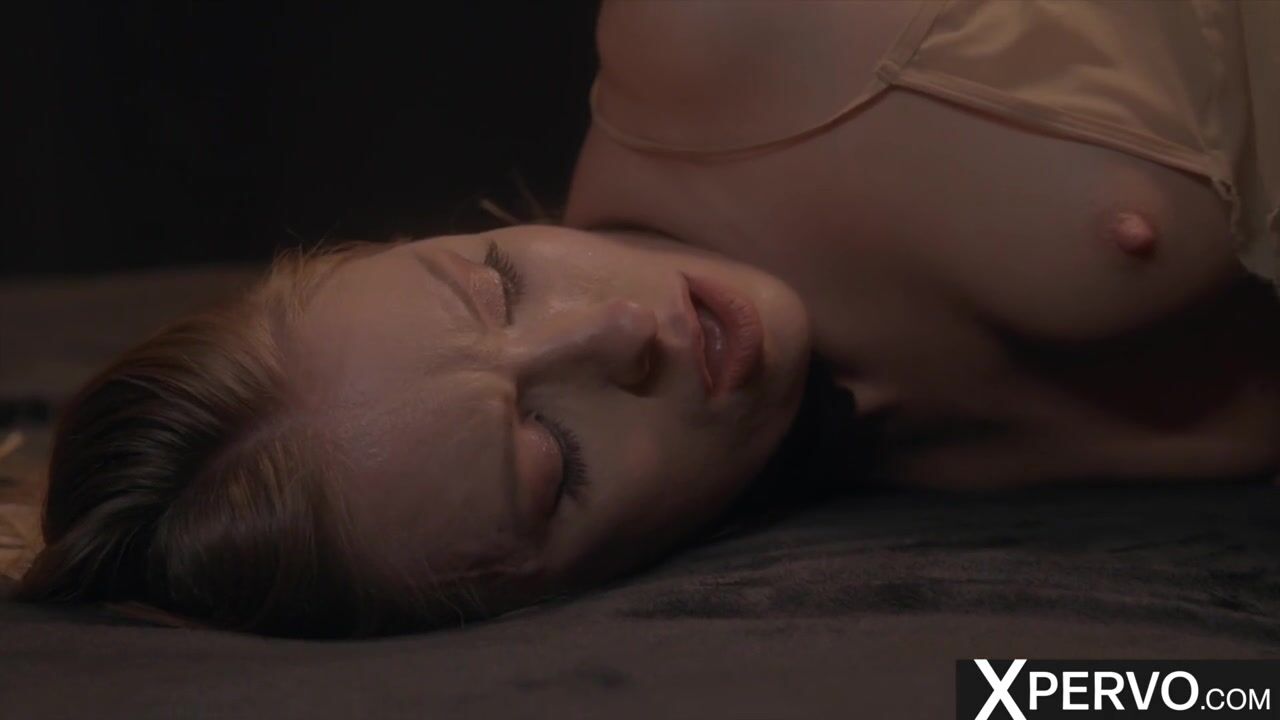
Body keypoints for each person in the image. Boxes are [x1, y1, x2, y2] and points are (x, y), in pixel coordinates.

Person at [17, 0, 1280, 637]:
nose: (613, 335)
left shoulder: (729, 26)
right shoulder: (844, 458)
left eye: (494, 284)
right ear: (532, 599)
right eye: (547, 459)